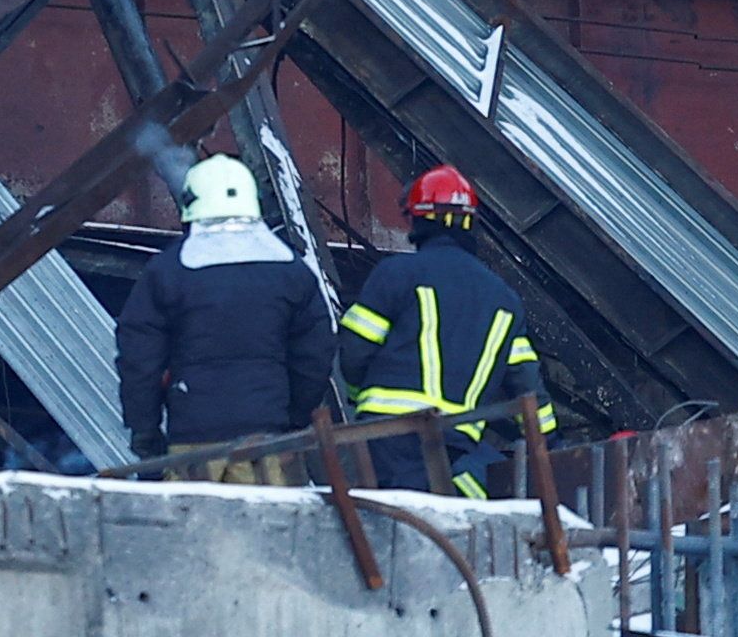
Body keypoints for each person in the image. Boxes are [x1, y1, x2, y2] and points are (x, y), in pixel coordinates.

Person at [119, 152, 341, 470]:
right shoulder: (291, 271)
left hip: (193, 439)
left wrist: (145, 428)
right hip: (268, 440)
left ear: (191, 203)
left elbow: (138, 358)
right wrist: (294, 416)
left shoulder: (168, 271)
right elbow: (316, 352)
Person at [338, 168, 545, 497]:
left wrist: (355, 394)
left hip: (387, 436)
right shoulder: (504, 298)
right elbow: (527, 385)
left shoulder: (396, 274)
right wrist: (547, 442)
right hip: (454, 444)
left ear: (417, 221)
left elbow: (353, 350)